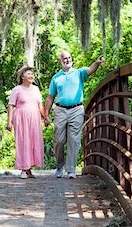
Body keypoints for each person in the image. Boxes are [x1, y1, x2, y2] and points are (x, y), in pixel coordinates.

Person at [44, 51, 105, 179]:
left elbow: (90, 69)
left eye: (69, 58)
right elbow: (50, 97)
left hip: (76, 109)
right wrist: (46, 115)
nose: (67, 60)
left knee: (74, 139)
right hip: (60, 110)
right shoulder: (56, 77)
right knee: (59, 140)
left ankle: (71, 170)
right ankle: (59, 166)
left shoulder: (79, 73)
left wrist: (97, 63)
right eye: (64, 58)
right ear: (60, 61)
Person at [7, 66, 45, 179]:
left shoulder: (36, 89)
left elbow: (40, 105)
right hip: (21, 118)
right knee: (23, 142)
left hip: (34, 118)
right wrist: (9, 122)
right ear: (22, 76)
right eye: (28, 74)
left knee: (33, 142)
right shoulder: (17, 90)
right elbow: (11, 105)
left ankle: (29, 169)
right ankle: (23, 169)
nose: (31, 76)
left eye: (32, 74)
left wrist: (46, 117)